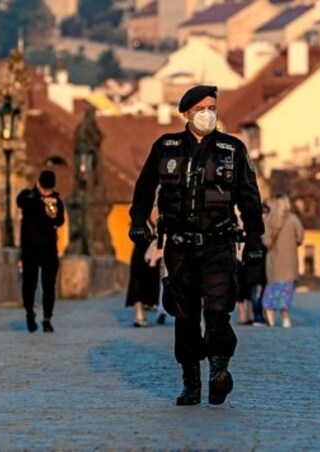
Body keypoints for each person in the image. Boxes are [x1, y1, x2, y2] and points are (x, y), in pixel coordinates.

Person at [128, 85, 264, 406]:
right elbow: (145, 187)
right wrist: (137, 221)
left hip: (218, 245)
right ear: (187, 113)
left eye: (213, 108)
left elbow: (249, 198)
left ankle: (219, 370)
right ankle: (191, 383)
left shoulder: (233, 149)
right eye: (202, 108)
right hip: (178, 247)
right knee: (185, 317)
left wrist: (255, 240)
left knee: (218, 311)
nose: (208, 114)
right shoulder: (167, 146)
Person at [17, 170, 66, 333]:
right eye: (45, 189)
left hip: (49, 249)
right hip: (30, 249)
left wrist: (53, 210)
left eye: (49, 190)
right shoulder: (28, 195)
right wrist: (42, 201)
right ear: (39, 184)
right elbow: (21, 202)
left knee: (49, 285)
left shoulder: (56, 200)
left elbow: (60, 221)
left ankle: (47, 318)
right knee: (29, 284)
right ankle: (29, 313)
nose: (47, 193)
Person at [261, 194, 305, 328]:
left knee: (272, 287)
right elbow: (300, 237)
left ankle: (269, 311)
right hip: (289, 261)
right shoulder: (293, 219)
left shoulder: (269, 220)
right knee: (286, 290)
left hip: (273, 261)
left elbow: (265, 241)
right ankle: (286, 318)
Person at [126, 207, 161, 327]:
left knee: (139, 281)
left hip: (145, 248)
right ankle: (140, 315)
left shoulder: (141, 209)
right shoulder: (157, 208)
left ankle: (140, 315)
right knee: (139, 281)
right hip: (148, 248)